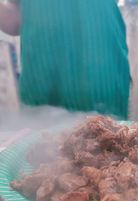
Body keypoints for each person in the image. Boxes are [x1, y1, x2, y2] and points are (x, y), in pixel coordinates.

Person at [0, 0, 130, 119]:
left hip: (101, 61)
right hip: (43, 73)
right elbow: (15, 20)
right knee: (41, 139)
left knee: (110, 136)